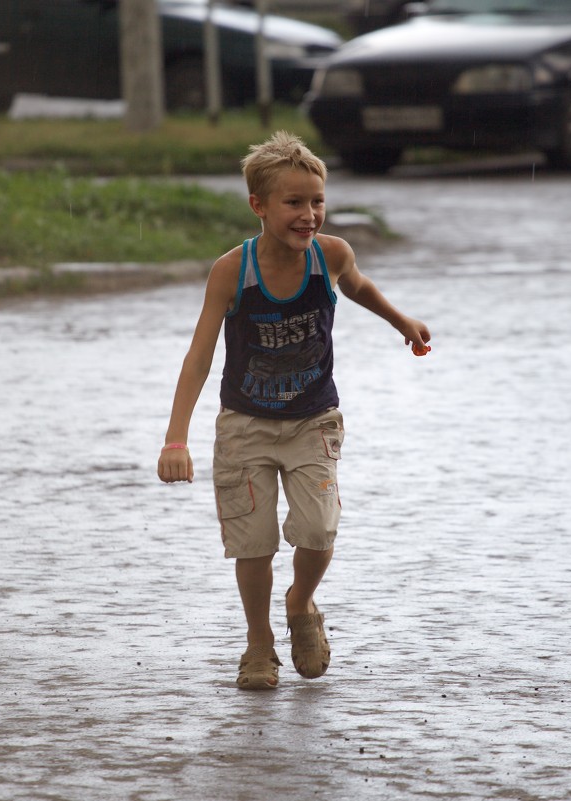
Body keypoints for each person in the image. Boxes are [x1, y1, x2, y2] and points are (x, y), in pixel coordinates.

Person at [157, 131, 431, 690]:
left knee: (317, 531)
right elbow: (200, 356)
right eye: (293, 203)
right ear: (258, 206)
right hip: (245, 426)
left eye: (316, 202)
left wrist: (402, 322)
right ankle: (259, 644)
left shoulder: (331, 255)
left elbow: (357, 286)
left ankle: (301, 602)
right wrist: (175, 439)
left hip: (314, 421)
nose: (309, 215)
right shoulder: (232, 272)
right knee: (252, 544)